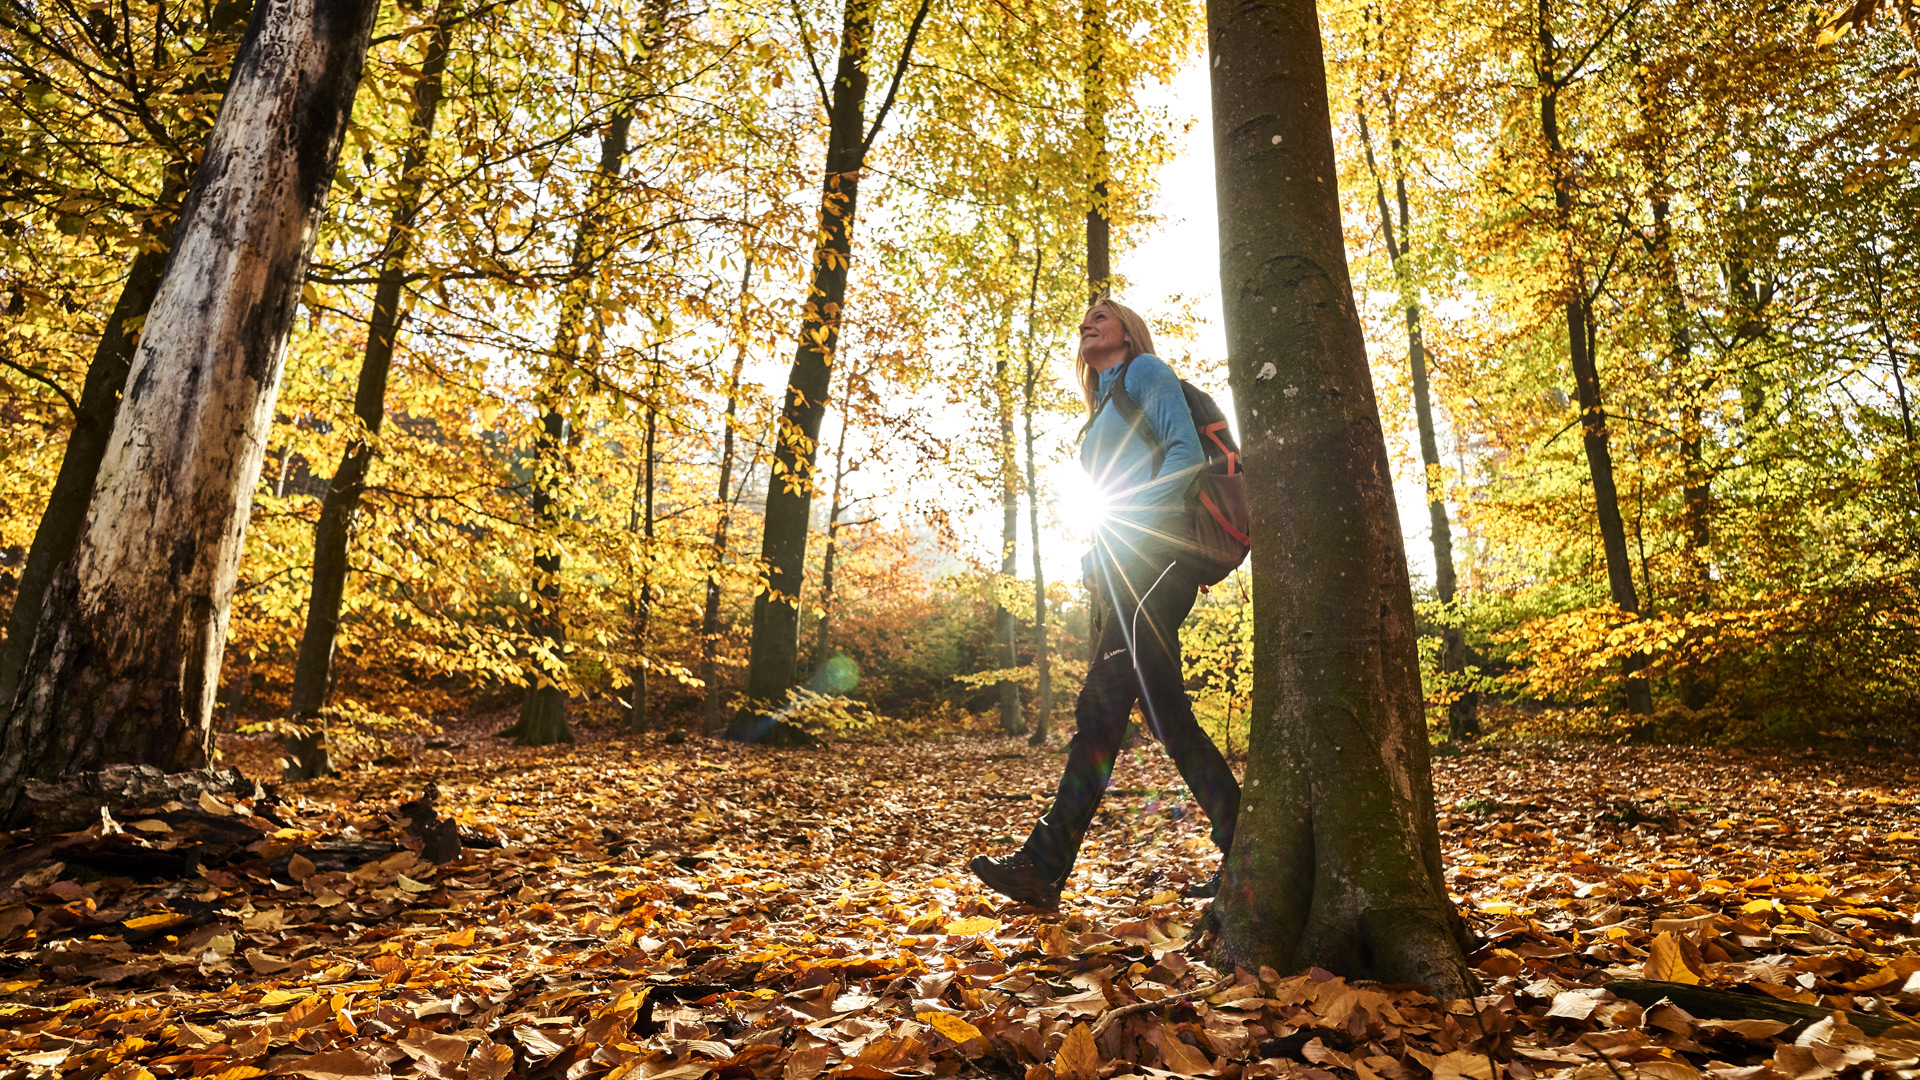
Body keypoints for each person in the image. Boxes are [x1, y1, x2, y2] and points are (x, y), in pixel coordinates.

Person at [969, 298, 1241, 908]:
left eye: (1102, 316)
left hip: (1157, 557)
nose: (1088, 323)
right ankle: (1243, 845)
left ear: (1127, 332)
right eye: (1083, 320)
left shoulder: (1145, 371)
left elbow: (1185, 455)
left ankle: (1045, 864)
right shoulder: (1100, 409)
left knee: (1113, 709)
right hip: (1125, 568)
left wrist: (1131, 525)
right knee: (1145, 714)